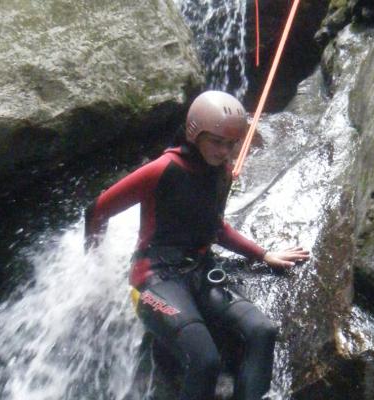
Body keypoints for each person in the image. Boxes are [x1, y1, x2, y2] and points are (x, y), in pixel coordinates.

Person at [85, 90, 310, 400]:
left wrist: (263, 254)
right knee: (205, 360)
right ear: (194, 134)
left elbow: (215, 228)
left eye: (231, 143)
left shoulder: (222, 173)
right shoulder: (162, 170)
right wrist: (93, 268)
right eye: (216, 141)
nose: (224, 151)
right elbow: (96, 211)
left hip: (199, 272)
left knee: (262, 331)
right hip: (154, 279)